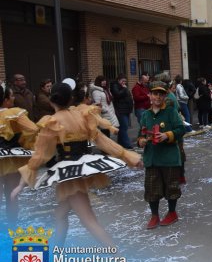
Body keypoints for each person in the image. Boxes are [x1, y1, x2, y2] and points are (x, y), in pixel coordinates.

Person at [12, 82, 141, 246]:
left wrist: (21, 184)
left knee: (88, 219)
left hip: (69, 174)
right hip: (81, 167)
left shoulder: (52, 122)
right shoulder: (82, 115)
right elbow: (102, 141)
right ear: (70, 99)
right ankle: (56, 252)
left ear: (51, 101)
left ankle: (118, 258)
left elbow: (40, 156)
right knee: (60, 214)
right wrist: (128, 157)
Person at [138, 82, 185, 229]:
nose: (157, 97)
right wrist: (141, 141)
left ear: (165, 96)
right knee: (152, 188)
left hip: (169, 158)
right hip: (152, 158)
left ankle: (172, 213)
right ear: (150, 96)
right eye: (155, 93)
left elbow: (181, 129)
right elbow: (141, 133)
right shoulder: (146, 114)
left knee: (171, 187)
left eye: (161, 94)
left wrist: (167, 135)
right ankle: (154, 215)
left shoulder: (171, 112)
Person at [0, 84, 38, 228]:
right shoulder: (14, 114)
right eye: (11, 96)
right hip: (11, 159)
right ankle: (12, 225)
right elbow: (33, 129)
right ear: (5, 100)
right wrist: (21, 140)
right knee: (11, 195)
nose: (14, 98)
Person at [111, 74, 134, 149]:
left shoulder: (124, 87)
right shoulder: (115, 86)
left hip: (126, 110)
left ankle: (120, 143)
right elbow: (117, 95)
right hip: (120, 110)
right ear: (118, 80)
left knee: (123, 127)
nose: (124, 82)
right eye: (122, 81)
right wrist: (124, 89)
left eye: (125, 81)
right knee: (124, 126)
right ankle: (127, 144)